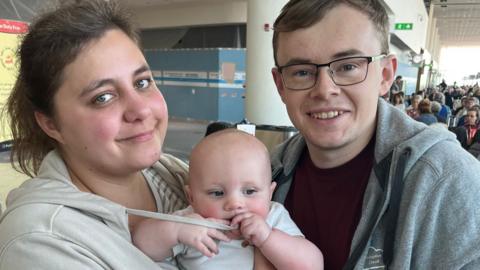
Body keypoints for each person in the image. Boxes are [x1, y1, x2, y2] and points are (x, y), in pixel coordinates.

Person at [270, 0, 480, 269]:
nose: (324, 90)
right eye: (301, 72)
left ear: (385, 74)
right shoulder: (264, 173)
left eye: (347, 66)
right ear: (280, 86)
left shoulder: (448, 184)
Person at [0, 1, 201, 268]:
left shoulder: (176, 176)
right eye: (103, 97)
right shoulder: (40, 242)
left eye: (142, 82)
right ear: (52, 125)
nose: (140, 110)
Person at [132, 129, 324, 270]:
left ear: (270, 193)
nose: (235, 204)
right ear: (192, 197)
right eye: (217, 193)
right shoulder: (192, 223)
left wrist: (268, 238)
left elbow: (313, 265)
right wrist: (176, 230)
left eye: (249, 191)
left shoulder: (272, 218)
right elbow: (141, 245)